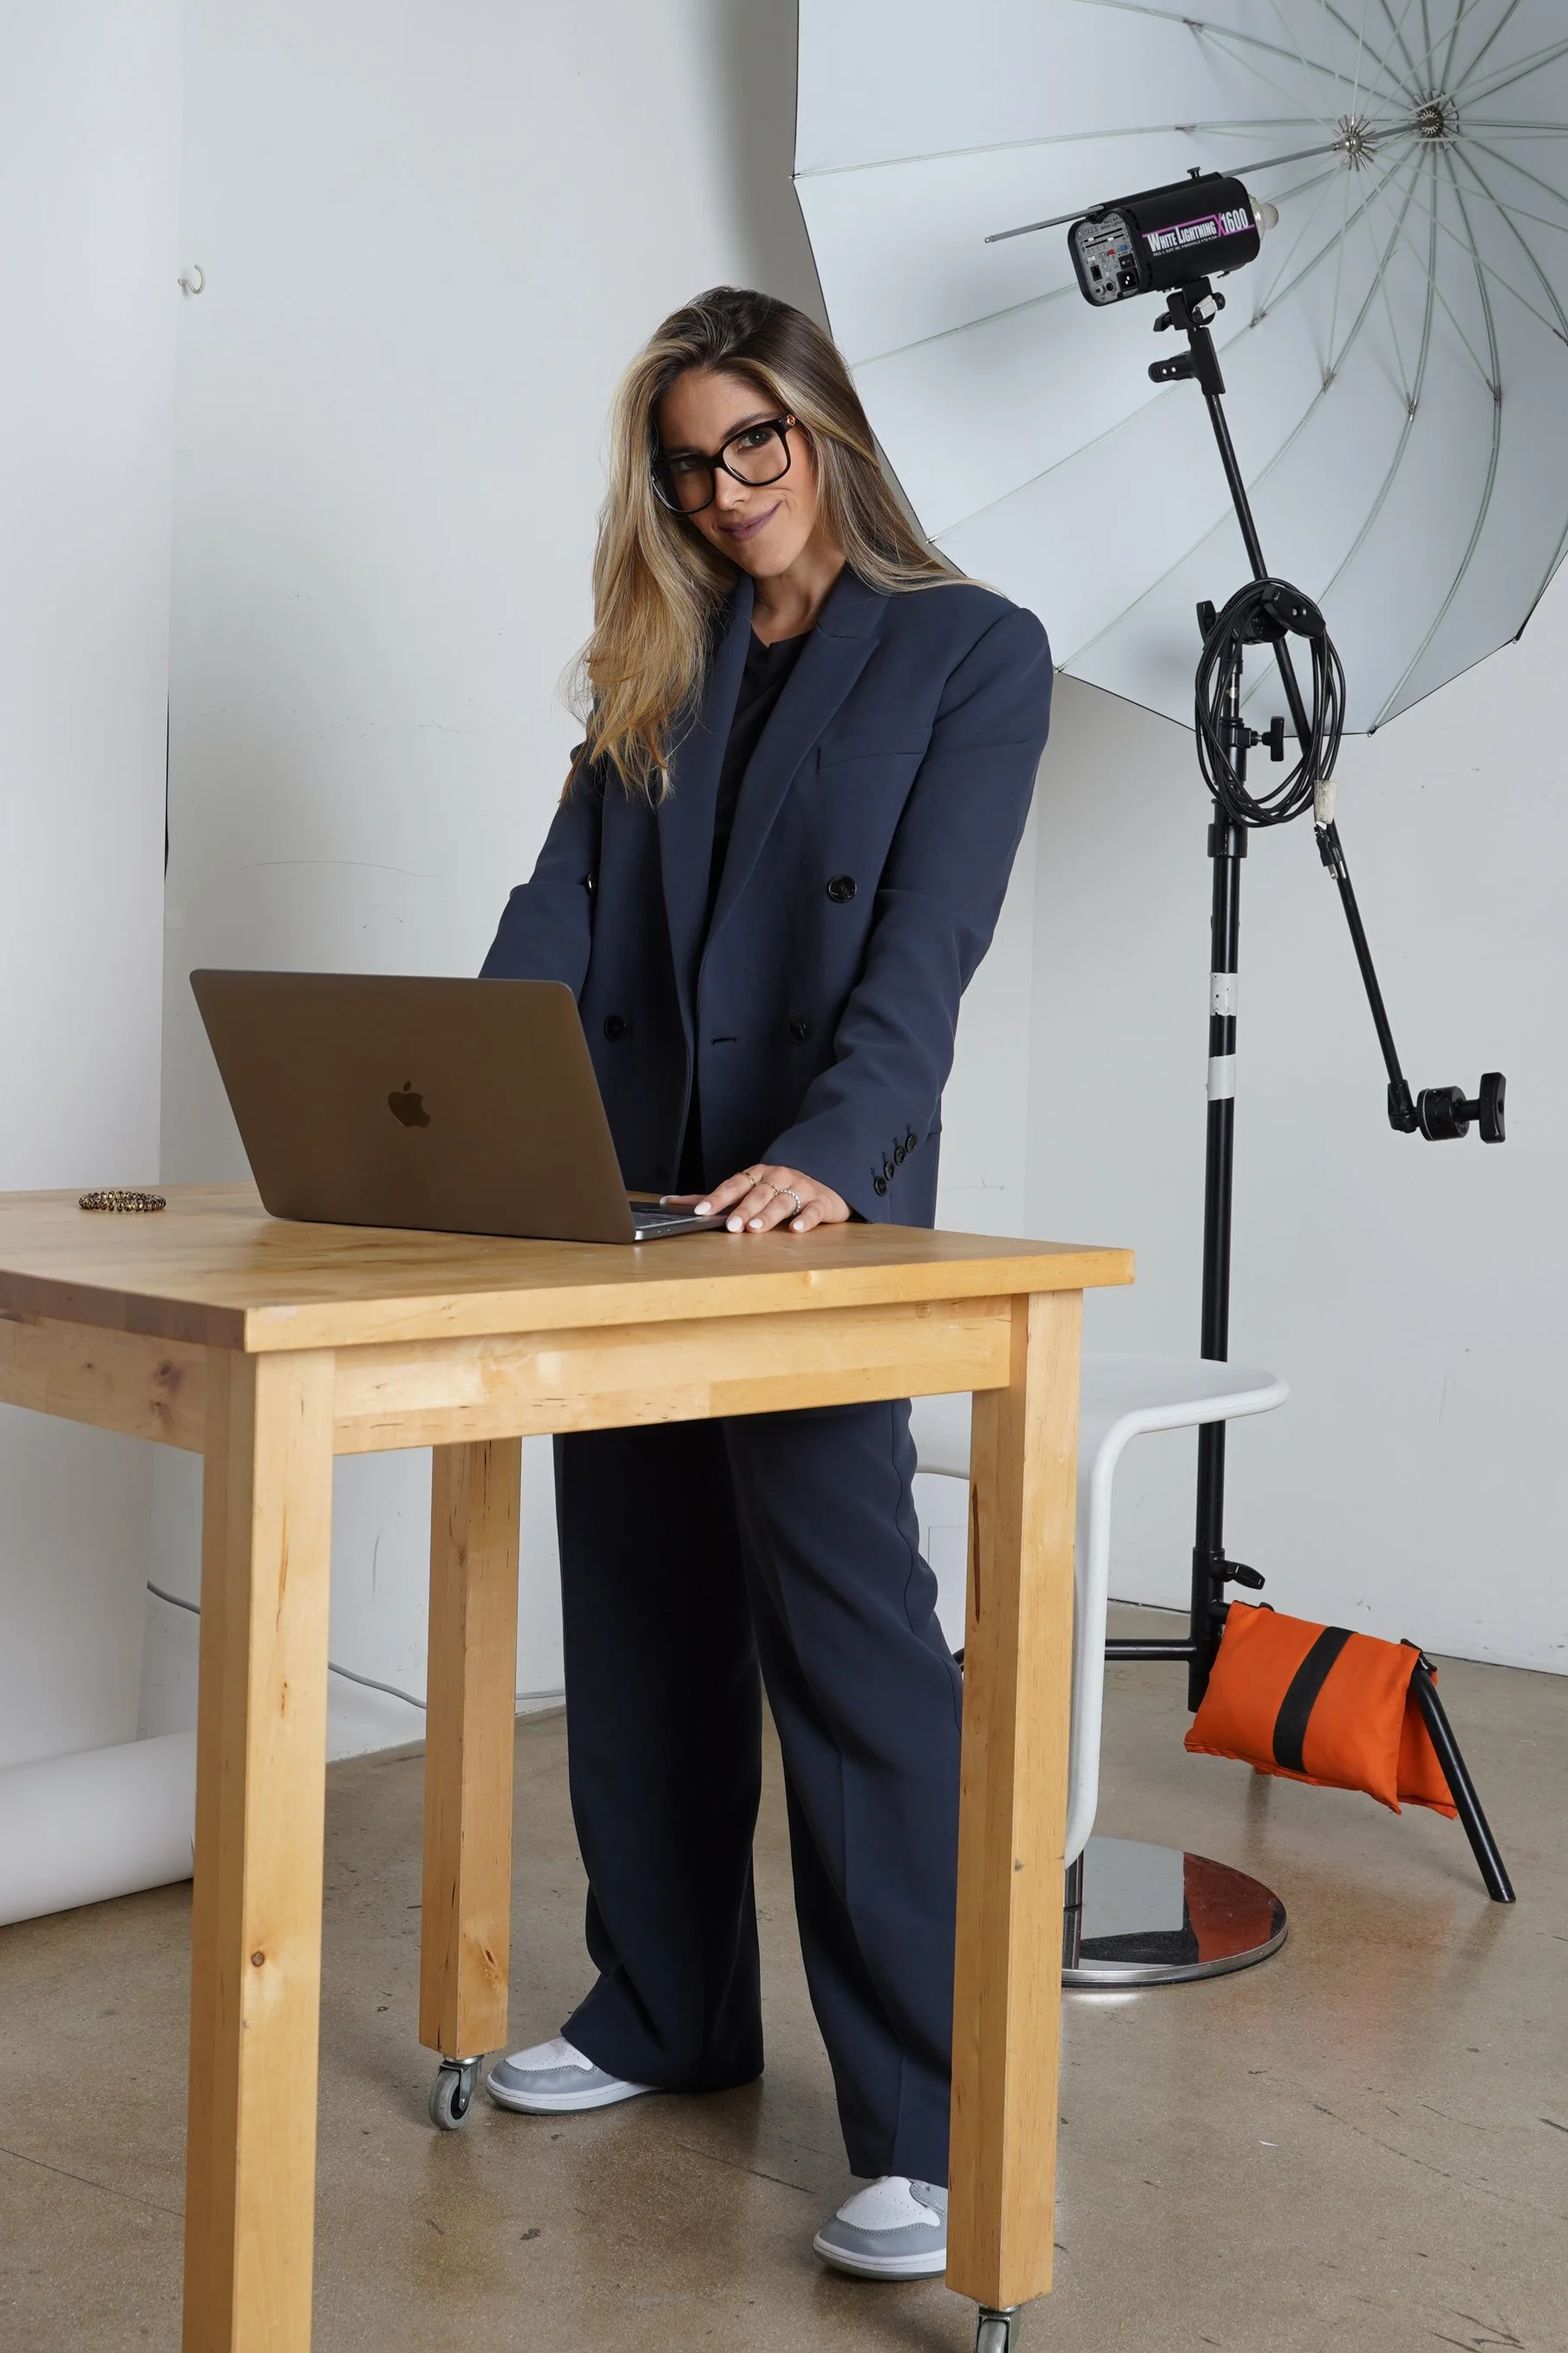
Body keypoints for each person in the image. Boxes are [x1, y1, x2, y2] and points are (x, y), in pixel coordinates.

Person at [479, 285, 1052, 2282]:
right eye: (688, 462)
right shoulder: (655, 665)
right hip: (628, 1200)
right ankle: (663, 2011)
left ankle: (927, 2120)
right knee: (635, 1599)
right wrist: (460, 1119)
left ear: (825, 428)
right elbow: (545, 934)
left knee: (848, 1640)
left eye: (756, 445)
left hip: (821, 1206)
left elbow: (927, 952)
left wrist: (831, 1154)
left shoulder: (970, 651)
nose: (726, 495)